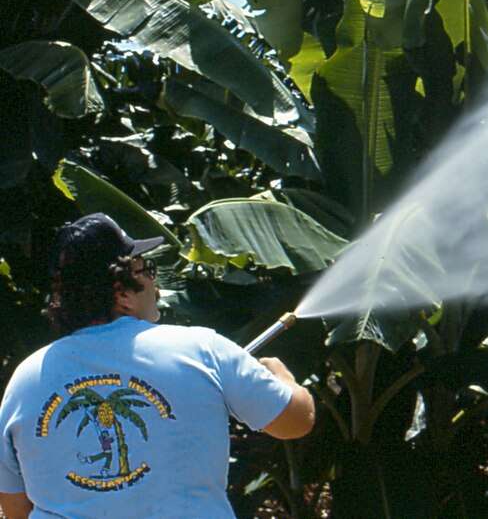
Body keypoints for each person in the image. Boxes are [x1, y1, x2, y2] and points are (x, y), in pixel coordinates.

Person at [0, 214, 315, 518]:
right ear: (122, 294)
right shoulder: (201, 349)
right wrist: (284, 380)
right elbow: (295, 422)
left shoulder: (24, 380)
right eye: (147, 270)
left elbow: (16, 509)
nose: (157, 284)